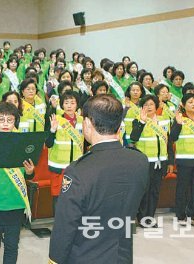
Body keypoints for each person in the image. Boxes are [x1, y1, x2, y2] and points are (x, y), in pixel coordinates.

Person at [48, 94, 149, 264]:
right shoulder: (139, 160)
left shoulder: (78, 170)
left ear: (87, 123)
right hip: (121, 255)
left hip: (85, 256)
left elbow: (65, 227)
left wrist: (54, 260)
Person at [0, 102, 35, 264]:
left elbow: (28, 174)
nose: (5, 123)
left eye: (9, 120)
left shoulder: (22, 142)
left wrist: (30, 171)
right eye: (1, 119)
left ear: (15, 122)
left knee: (11, 246)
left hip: (15, 203)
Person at [130, 95, 173, 227]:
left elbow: (169, 142)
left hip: (160, 162)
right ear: (142, 107)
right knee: (145, 191)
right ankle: (142, 218)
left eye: (151, 104)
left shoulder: (163, 121)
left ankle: (149, 217)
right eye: (146, 105)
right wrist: (142, 122)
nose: (149, 107)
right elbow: (133, 137)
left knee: (155, 191)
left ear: (156, 106)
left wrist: (170, 161)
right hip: (145, 162)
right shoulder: (137, 121)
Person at [169, 94, 194, 227]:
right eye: (190, 102)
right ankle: (180, 215)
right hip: (185, 159)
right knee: (183, 188)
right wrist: (178, 124)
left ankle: (192, 215)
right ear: (184, 104)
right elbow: (173, 137)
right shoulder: (180, 118)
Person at [45, 91, 84, 206]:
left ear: (77, 105)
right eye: (66, 103)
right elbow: (48, 144)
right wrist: (52, 130)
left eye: (72, 103)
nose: (69, 106)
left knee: (75, 196)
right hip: (58, 166)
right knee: (58, 197)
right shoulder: (55, 119)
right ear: (62, 105)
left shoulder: (82, 120)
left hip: (76, 166)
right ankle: (59, 222)